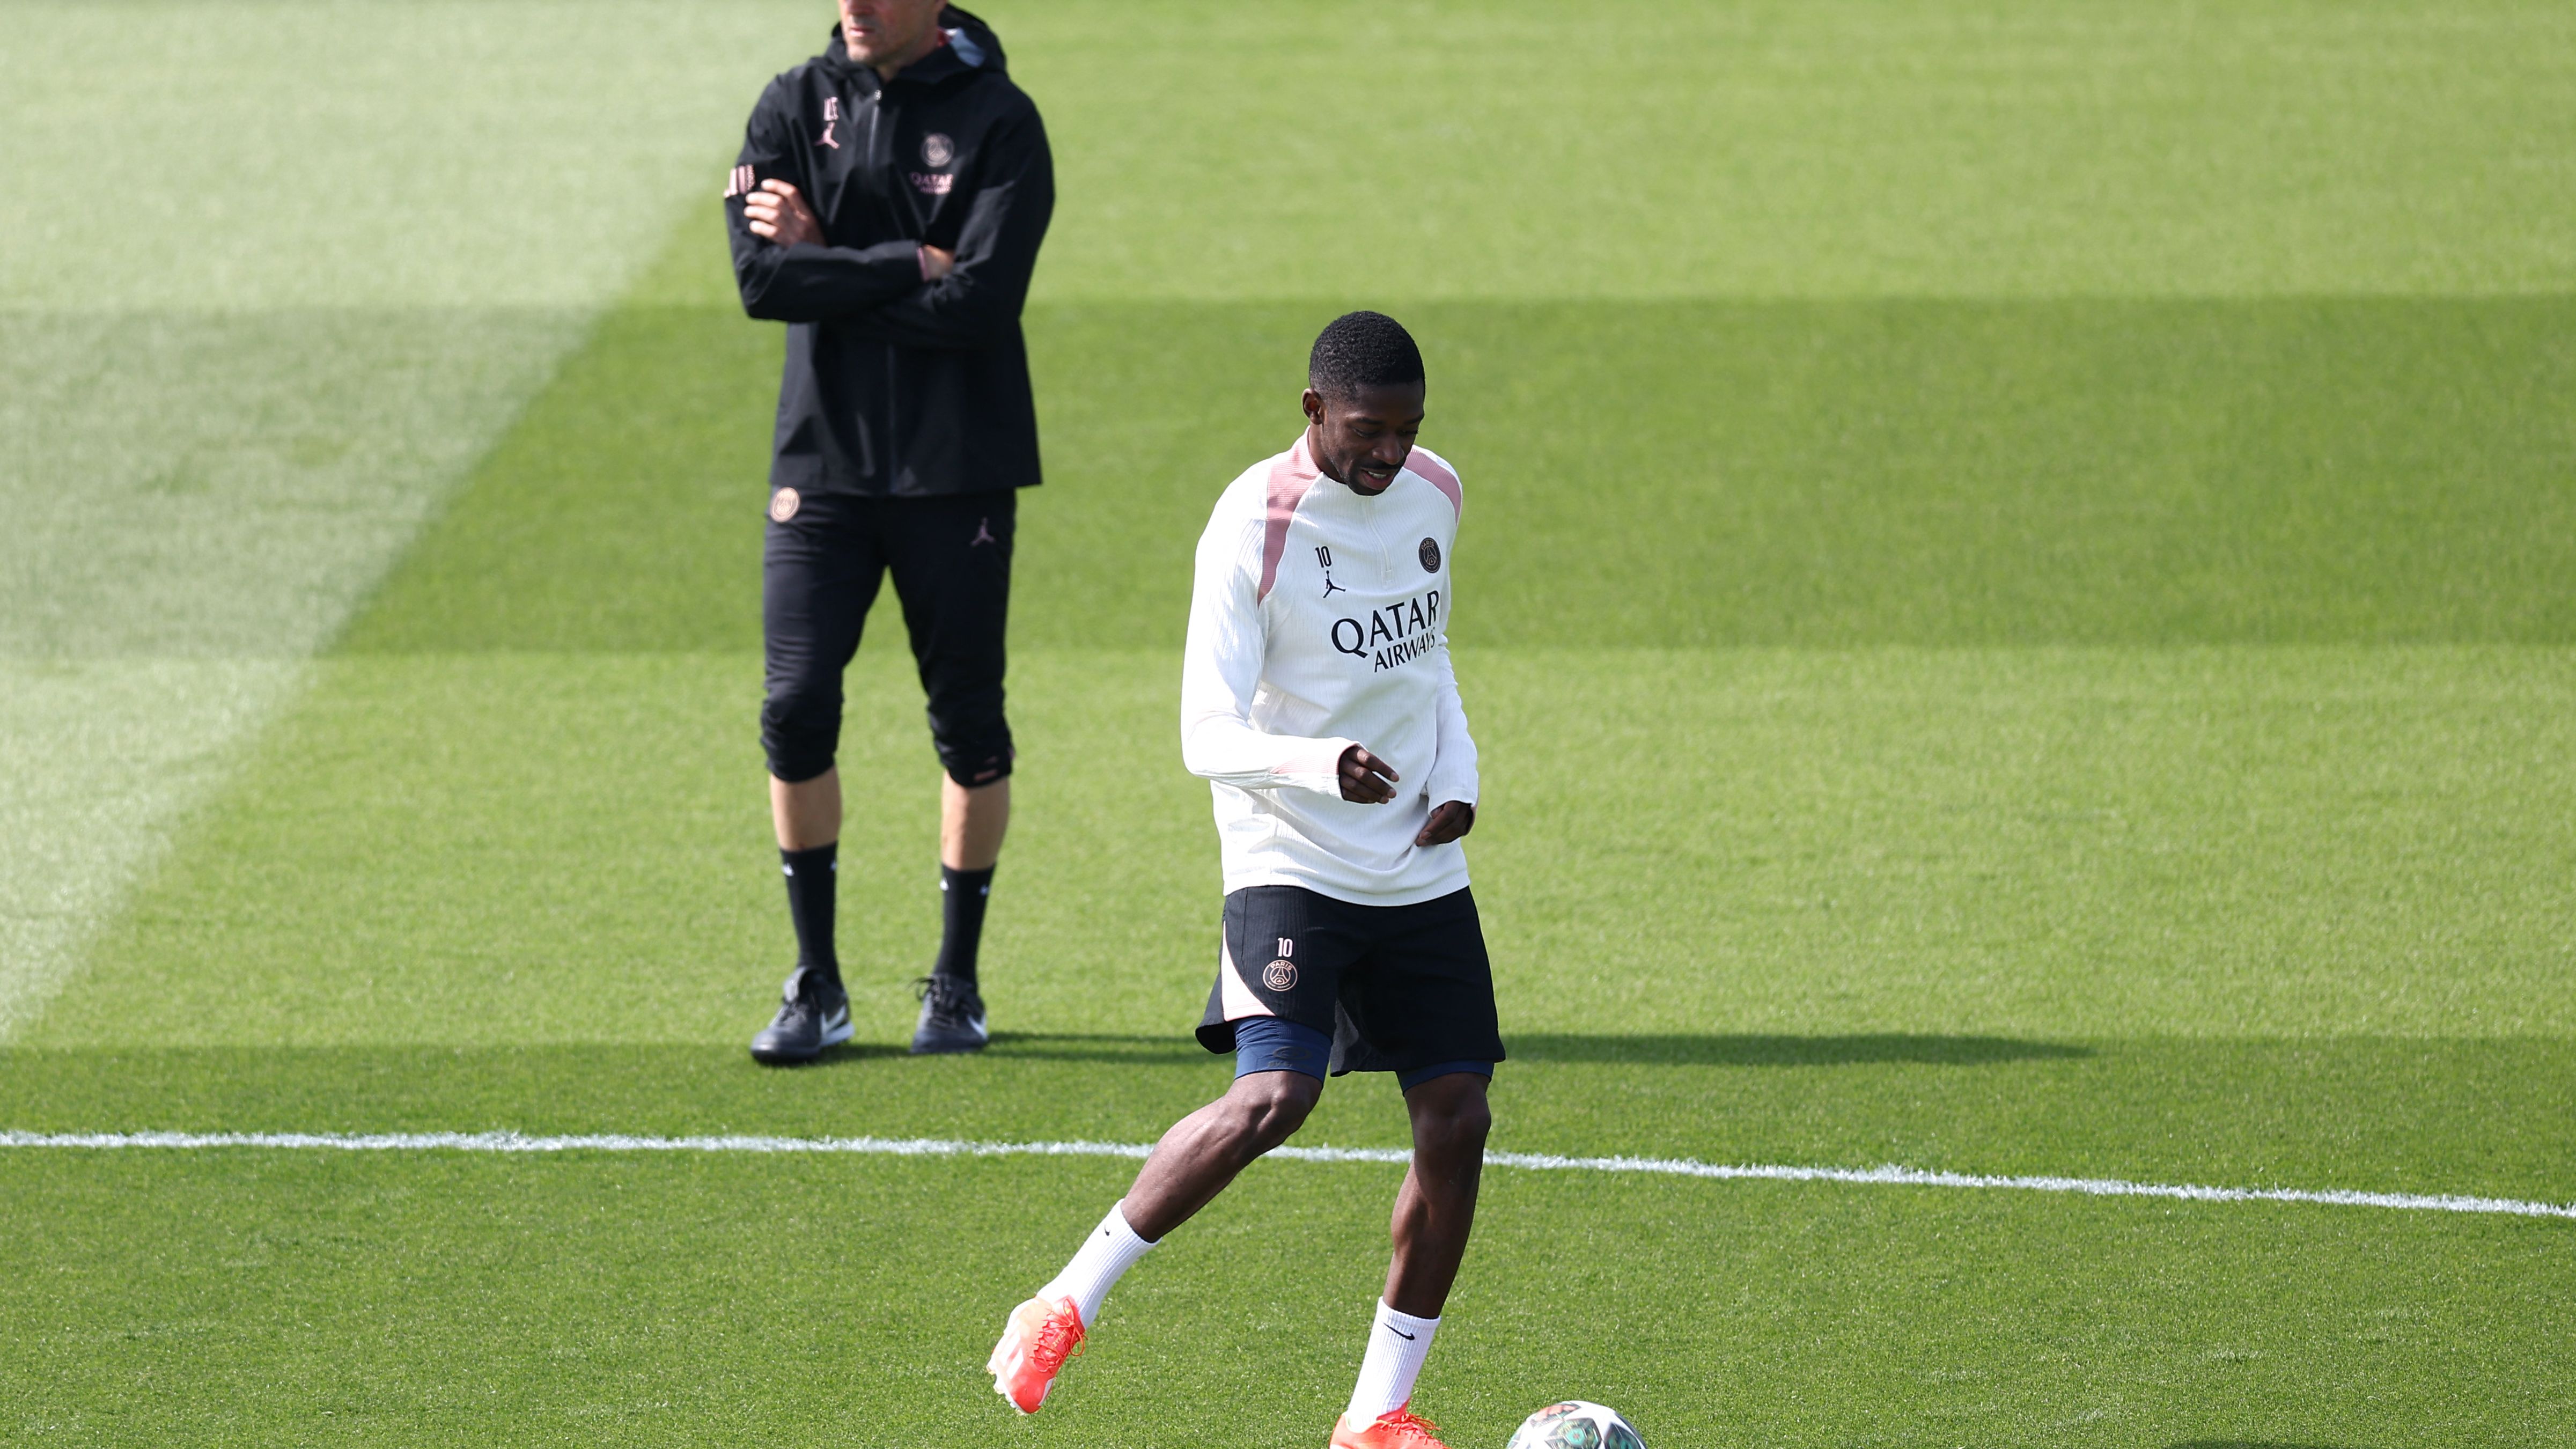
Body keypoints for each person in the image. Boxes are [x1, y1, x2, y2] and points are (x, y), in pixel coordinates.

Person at [986, 312, 1498, 1449]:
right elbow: (1202, 733)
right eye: (1369, 432)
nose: (1390, 456)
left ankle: (1375, 1416)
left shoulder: (1435, 491)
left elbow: (1429, 656)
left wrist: (1454, 774)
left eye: (1409, 431)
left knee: (1457, 1119)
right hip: (1290, 855)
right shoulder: (1251, 523)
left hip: (1416, 859)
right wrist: (1321, 764)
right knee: (1276, 1099)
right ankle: (1065, 1298)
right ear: (1313, 410)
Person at [723, 0, 1052, 1060]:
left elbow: (983, 308)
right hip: (821, 466)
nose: (851, 5)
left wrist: (837, 262)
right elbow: (761, 281)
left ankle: (955, 983)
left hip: (957, 470)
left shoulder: (1002, 121)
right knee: (793, 704)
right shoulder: (790, 105)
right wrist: (911, 261)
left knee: (965, 721)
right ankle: (816, 982)